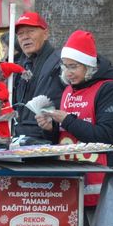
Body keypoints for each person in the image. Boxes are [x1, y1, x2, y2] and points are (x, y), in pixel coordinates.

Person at [36, 30, 113, 226]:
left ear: (89, 66)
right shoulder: (67, 91)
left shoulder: (111, 90)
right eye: (65, 66)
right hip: (73, 185)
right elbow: (67, 137)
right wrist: (51, 129)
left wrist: (67, 119)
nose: (68, 72)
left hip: (104, 188)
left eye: (74, 66)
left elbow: (106, 136)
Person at [13, 12, 66, 142]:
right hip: (21, 137)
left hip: (49, 136)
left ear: (46, 34)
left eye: (30, 31)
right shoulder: (20, 66)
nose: (25, 37)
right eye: (20, 34)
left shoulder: (60, 61)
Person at [0, 62, 31, 140]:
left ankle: (4, 139)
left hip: (3, 109)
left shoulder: (0, 85)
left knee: (2, 126)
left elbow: (5, 95)